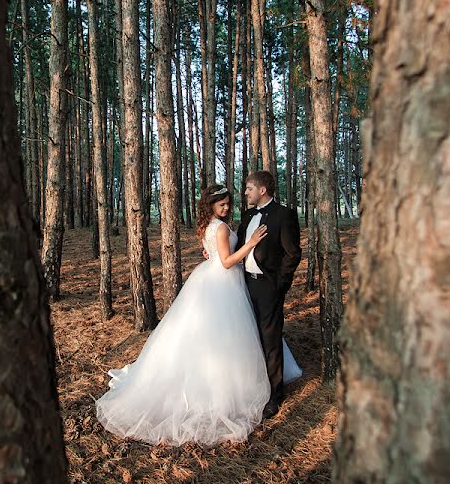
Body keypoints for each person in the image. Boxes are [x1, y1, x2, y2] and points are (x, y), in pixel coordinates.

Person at [95, 184, 271, 446]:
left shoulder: (210, 225)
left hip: (211, 279)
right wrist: (252, 243)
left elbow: (213, 252)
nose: (226, 207)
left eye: (227, 203)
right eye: (221, 204)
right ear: (210, 205)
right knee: (222, 337)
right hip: (221, 281)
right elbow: (225, 261)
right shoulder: (220, 227)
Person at [237, 170, 302, 419]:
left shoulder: (283, 215)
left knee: (270, 339)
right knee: (249, 336)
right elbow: (239, 245)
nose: (246, 193)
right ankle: (254, 384)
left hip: (268, 286)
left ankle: (275, 395)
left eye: (249, 189)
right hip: (244, 284)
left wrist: (279, 285)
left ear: (262, 190)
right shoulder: (247, 215)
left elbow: (292, 253)